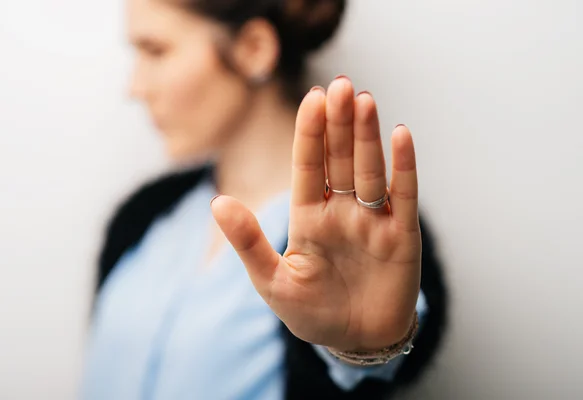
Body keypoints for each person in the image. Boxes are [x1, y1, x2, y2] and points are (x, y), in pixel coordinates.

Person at [82, 0, 448, 399]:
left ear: (254, 48)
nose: (134, 88)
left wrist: (363, 348)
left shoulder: (368, 237)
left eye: (156, 50)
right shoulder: (143, 216)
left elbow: (377, 345)